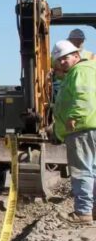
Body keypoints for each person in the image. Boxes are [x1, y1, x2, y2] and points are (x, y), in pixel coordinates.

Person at [52, 40, 96, 225]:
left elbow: (83, 95)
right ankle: (91, 210)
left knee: (81, 170)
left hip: (81, 127)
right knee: (92, 169)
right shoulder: (84, 70)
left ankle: (83, 212)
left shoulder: (80, 71)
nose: (62, 62)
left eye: (65, 58)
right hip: (89, 125)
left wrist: (73, 118)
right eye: (59, 60)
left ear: (77, 56)